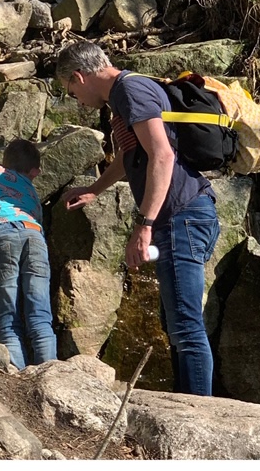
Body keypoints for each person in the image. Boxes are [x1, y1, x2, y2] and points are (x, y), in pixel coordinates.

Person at [56, 41, 220, 396]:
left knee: (186, 327)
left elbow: (162, 156)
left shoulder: (129, 90)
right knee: (176, 321)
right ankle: (189, 406)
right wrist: (96, 188)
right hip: (184, 214)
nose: (76, 100)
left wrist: (144, 226)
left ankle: (201, 416)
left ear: (79, 76)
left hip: (182, 215)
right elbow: (134, 155)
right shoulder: (122, 98)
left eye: (71, 92)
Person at [0, 139, 57, 370]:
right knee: (40, 317)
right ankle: (52, 375)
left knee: (8, 320)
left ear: (4, 162)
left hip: (1, 231)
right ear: (35, 172)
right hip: (34, 234)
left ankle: (18, 379)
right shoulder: (33, 193)